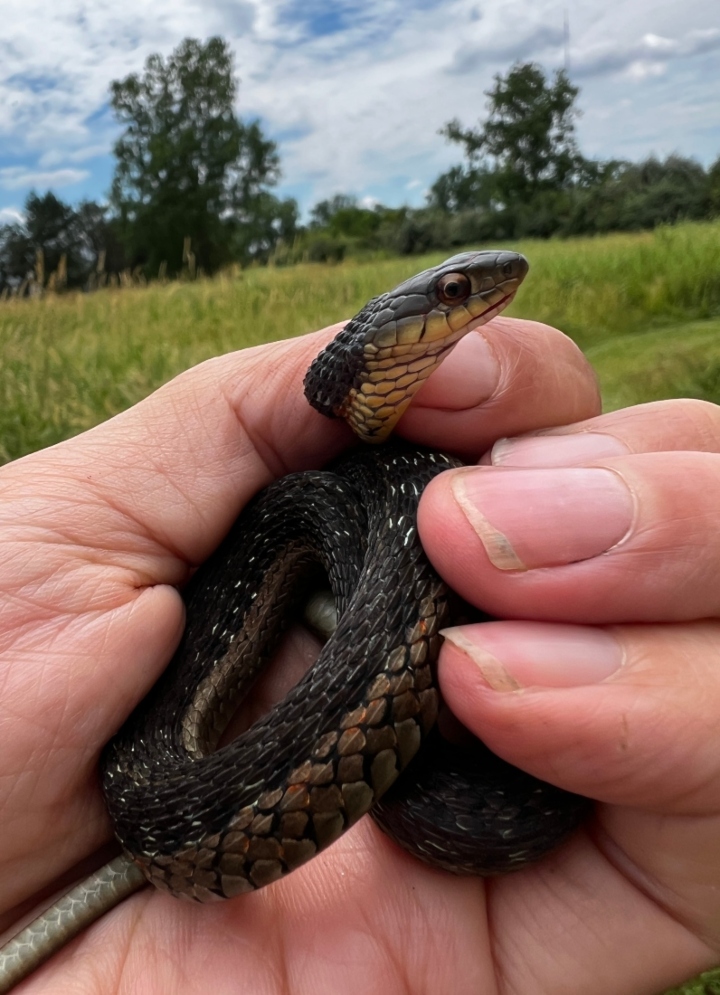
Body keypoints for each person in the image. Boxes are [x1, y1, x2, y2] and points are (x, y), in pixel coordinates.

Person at [0, 313, 718, 994]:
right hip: (166, 805)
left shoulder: (374, 500)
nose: (477, 304)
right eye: (450, 298)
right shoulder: (312, 502)